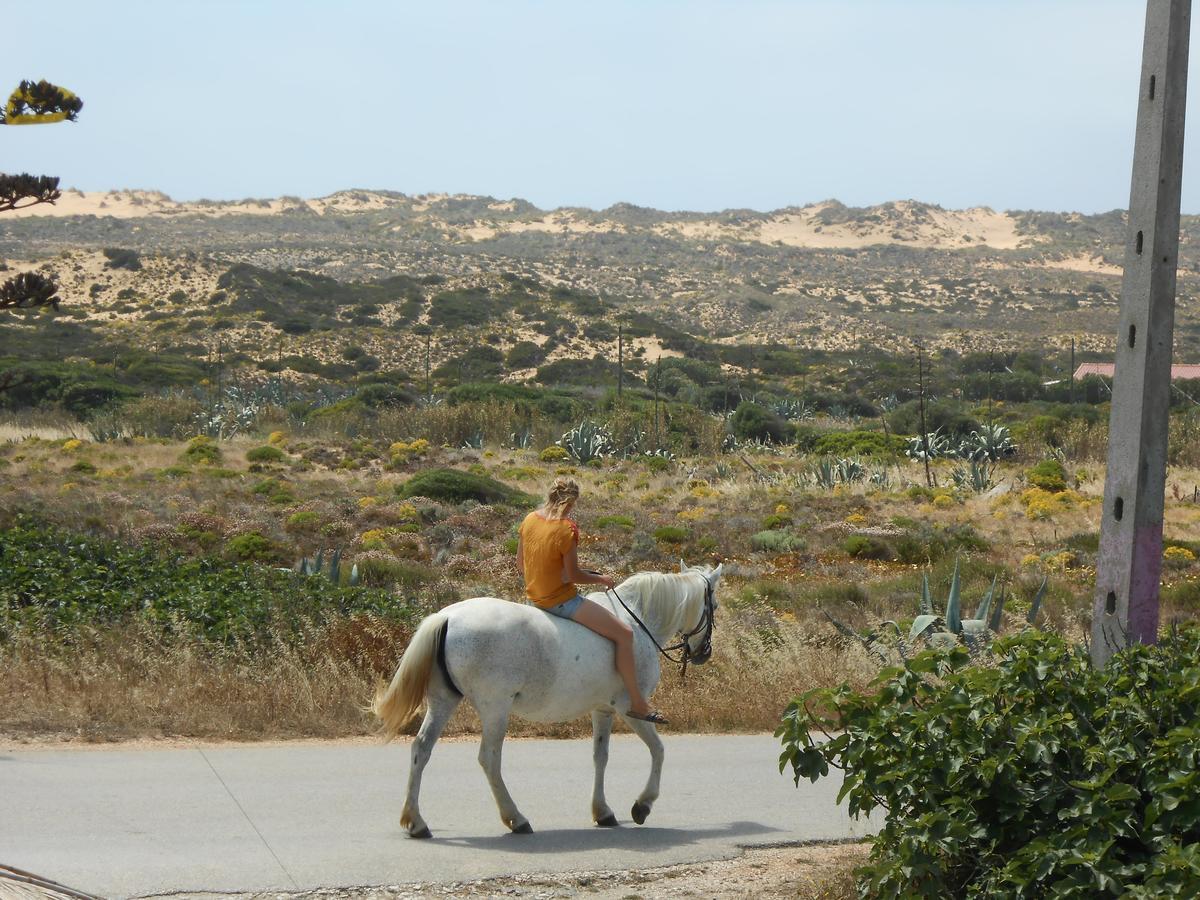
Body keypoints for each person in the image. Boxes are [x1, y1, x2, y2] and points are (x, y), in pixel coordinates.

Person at [516, 477, 668, 724]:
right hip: (561, 602)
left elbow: (520, 564)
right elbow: (574, 576)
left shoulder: (529, 519)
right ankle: (638, 703)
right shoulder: (567, 529)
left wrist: (554, 574)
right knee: (624, 634)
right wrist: (601, 579)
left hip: (534, 599)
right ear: (569, 501)